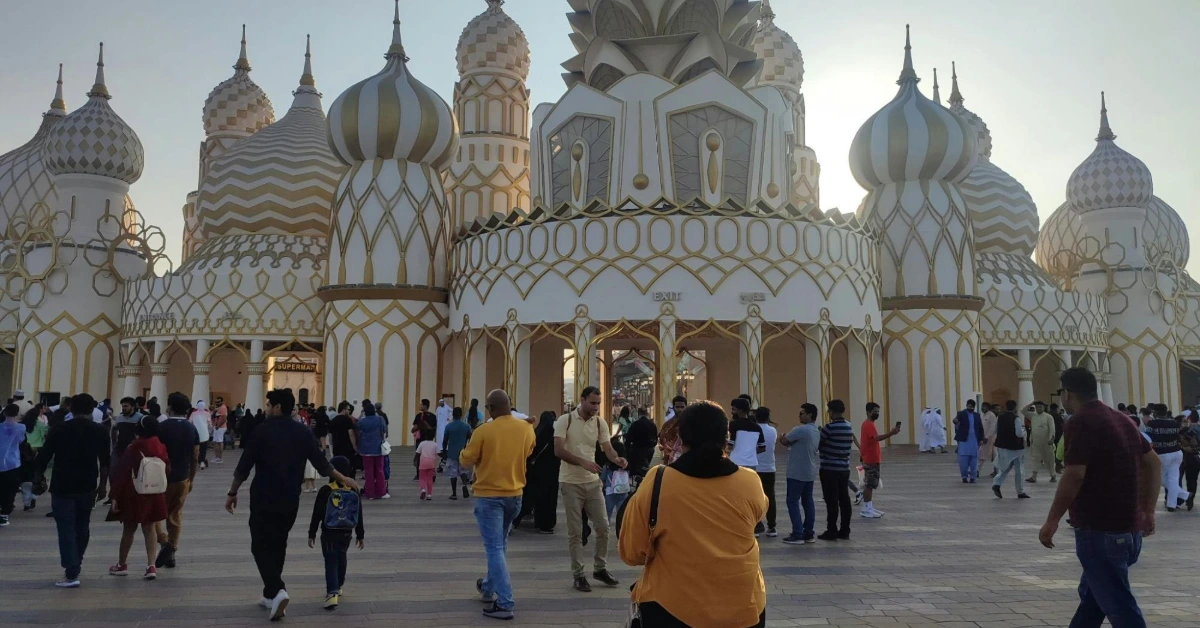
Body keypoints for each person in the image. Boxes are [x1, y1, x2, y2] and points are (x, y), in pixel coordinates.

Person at [619, 400, 768, 628]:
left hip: (672, 608)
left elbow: (632, 552)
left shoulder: (659, 481)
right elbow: (755, 517)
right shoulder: (750, 482)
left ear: (681, 437)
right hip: (744, 608)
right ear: (725, 436)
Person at [1038, 368, 1160, 628]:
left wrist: (1052, 520)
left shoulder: (1081, 421)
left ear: (1067, 393)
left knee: (1120, 608)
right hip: (1129, 531)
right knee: (1093, 601)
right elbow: (1153, 462)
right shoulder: (1121, 419)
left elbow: (1074, 475)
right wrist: (1148, 511)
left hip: (1101, 532)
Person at [226, 389, 357, 621]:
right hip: (289, 499)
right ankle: (269, 595)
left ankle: (277, 590)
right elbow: (322, 464)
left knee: (259, 545)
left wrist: (232, 492)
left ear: (277, 407)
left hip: (264, 497)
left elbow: (243, 467)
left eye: (268, 405)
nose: (266, 409)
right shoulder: (303, 432)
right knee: (278, 543)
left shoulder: (261, 431)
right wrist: (343, 478)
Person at [459, 389, 536, 620]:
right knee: (500, 545)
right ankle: (488, 587)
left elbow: (466, 459)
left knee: (494, 548)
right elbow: (529, 451)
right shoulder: (526, 429)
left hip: (489, 496)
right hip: (515, 495)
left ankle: (505, 603)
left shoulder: (484, 430)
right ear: (510, 405)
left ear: (490, 409)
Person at [554, 386, 627, 592]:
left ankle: (599, 567)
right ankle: (578, 574)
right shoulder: (565, 420)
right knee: (575, 532)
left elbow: (607, 448)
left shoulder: (599, 422)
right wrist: (582, 462)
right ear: (583, 399)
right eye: (592, 403)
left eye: (598, 403)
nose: (596, 407)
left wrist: (617, 459)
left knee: (603, 527)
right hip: (570, 482)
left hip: (593, 482)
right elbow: (558, 450)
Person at [34, 394, 110, 587]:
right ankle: (77, 562)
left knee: (66, 527)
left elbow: (44, 456)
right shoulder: (100, 431)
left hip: (62, 485)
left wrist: (37, 477)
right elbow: (105, 462)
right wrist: (103, 486)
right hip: (87, 485)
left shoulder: (60, 429)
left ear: (71, 409)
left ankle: (72, 569)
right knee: (82, 526)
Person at [108, 415, 169, 580]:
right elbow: (167, 468)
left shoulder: (134, 447)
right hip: (154, 492)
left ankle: (122, 564)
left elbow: (122, 472)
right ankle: (151, 566)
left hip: (134, 492)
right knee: (150, 529)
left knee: (129, 529)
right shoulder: (161, 446)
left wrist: (114, 496)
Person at [307, 455, 365, 610]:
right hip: (346, 531)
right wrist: (360, 535)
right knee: (341, 556)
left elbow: (317, 513)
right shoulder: (353, 489)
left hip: (329, 532)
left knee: (331, 560)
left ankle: (332, 593)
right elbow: (358, 513)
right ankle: (339, 585)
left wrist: (311, 532)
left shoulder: (326, 490)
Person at [153, 392, 200, 570]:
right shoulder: (191, 428)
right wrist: (192, 479)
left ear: (170, 408)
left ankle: (165, 543)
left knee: (156, 514)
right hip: (183, 477)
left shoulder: (161, 427)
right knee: (175, 515)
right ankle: (171, 550)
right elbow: (195, 457)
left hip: (162, 478)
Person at [779, 403, 820, 544]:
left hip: (796, 472)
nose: (799, 415)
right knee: (808, 502)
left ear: (809, 415)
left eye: (802, 413)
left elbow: (785, 440)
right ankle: (808, 533)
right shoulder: (816, 431)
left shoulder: (801, 430)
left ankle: (797, 533)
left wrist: (782, 437)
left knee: (792, 501)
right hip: (809, 471)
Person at [817, 399, 857, 541]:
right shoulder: (849, 427)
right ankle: (845, 530)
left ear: (832, 411)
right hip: (844, 468)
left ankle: (831, 530)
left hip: (829, 469)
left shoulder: (829, 428)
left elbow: (818, 444)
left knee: (831, 501)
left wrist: (820, 432)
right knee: (844, 500)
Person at [515, 410, 560, 533]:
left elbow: (530, 451)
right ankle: (546, 524)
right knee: (549, 499)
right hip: (551, 472)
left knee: (531, 496)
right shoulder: (555, 435)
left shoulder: (537, 432)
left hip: (535, 471)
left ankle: (516, 519)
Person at [859, 402, 901, 518]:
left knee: (872, 484)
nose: (877, 414)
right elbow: (876, 438)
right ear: (868, 412)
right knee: (869, 484)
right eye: (874, 412)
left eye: (878, 412)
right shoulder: (868, 425)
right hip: (870, 459)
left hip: (873, 458)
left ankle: (869, 507)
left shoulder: (870, 424)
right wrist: (891, 433)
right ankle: (866, 508)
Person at [1145, 403, 1190, 511]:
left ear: (1155, 412)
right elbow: (1182, 432)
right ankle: (1172, 504)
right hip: (1176, 452)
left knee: (1159, 478)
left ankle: (1185, 495)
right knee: (1173, 479)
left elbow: (1148, 437)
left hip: (1162, 453)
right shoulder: (1174, 422)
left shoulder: (1152, 423)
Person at [991, 400, 1030, 499]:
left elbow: (994, 430)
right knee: (1019, 470)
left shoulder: (1000, 417)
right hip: (1015, 448)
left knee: (1005, 467)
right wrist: (1024, 432)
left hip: (1003, 447)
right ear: (1015, 408)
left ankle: (996, 483)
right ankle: (1020, 491)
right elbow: (1018, 434)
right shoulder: (1016, 419)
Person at [750, 406, 779, 537]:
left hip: (756, 467)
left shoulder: (753, 430)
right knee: (770, 497)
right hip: (770, 468)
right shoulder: (773, 430)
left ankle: (757, 524)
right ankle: (772, 526)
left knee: (755, 497)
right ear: (768, 417)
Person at [357, 402, 389, 500]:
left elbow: (357, 431)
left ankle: (370, 493)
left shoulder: (362, 421)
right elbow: (384, 430)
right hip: (378, 449)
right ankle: (382, 492)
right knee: (380, 470)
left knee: (368, 472)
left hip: (365, 450)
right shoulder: (380, 419)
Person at [0, 403, 25, 527]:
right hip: (12, 462)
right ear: (17, 414)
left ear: (4, 413)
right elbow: (21, 441)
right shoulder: (21, 428)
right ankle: (4, 514)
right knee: (10, 489)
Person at [728, 398, 765, 474]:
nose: (733, 412)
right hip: (752, 463)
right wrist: (750, 452)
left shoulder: (733, 424)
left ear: (740, 410)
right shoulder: (757, 427)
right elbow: (762, 448)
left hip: (736, 462)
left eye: (735, 409)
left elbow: (730, 446)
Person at [953, 400, 986, 483]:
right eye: (968, 406)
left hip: (974, 441)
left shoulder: (977, 415)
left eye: (971, 407)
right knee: (963, 460)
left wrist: (981, 439)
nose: (969, 408)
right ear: (966, 405)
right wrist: (955, 421)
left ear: (974, 407)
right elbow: (956, 420)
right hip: (964, 441)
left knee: (974, 460)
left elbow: (980, 428)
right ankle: (964, 476)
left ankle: (973, 477)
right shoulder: (961, 413)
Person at [442, 407, 472, 500]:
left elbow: (445, 441)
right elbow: (470, 437)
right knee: (463, 471)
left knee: (453, 473)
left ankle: (454, 493)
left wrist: (444, 451)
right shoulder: (466, 426)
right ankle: (464, 485)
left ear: (453, 415)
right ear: (461, 414)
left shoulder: (449, 426)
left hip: (452, 453)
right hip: (463, 453)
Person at [1026, 401, 1058, 483]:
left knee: (1050, 460)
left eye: (1040, 407)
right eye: (1037, 407)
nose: (1038, 408)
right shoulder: (1033, 416)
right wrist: (1031, 403)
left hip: (1047, 443)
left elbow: (1052, 429)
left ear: (1044, 407)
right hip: (1036, 443)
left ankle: (1053, 475)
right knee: (1035, 459)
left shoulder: (1048, 417)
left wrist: (1051, 439)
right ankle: (1034, 477)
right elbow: (1023, 411)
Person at [623, 407, 658, 479]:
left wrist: (627, 450)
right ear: (646, 413)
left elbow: (629, 439)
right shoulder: (652, 424)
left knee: (638, 468)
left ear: (639, 414)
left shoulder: (635, 424)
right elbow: (655, 438)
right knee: (645, 466)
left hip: (638, 450)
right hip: (649, 450)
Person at [658, 395, 687, 464]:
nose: (680, 409)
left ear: (686, 407)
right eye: (677, 407)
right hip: (670, 459)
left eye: (682, 407)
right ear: (673, 407)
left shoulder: (690, 423)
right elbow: (661, 441)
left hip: (686, 458)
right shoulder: (667, 425)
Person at [1181, 413, 1200, 511]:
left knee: (1191, 479)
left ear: (1189, 419)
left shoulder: (1187, 430)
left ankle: (1190, 498)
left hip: (1191, 457)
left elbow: (1182, 443)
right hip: (1197, 454)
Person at [189, 401, 212, 471]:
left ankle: (197, 462)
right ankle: (202, 462)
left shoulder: (193, 414)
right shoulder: (207, 414)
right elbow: (210, 425)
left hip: (195, 434)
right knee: (203, 449)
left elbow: (190, 422)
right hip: (205, 434)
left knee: (196, 449)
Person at [416, 432, 439, 500]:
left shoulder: (422, 443)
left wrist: (415, 460)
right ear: (433, 437)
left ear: (426, 436)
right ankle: (429, 495)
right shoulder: (435, 444)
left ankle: (423, 489)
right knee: (430, 479)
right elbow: (439, 453)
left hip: (423, 462)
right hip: (431, 463)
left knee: (422, 478)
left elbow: (417, 453)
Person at [979, 402, 998, 476]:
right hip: (984, 438)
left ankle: (977, 470)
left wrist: (987, 437)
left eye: (984, 407)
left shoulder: (991, 415)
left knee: (987, 455)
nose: (982, 408)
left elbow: (992, 428)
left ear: (988, 408)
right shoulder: (983, 415)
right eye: (982, 406)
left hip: (990, 439)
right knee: (985, 454)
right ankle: (997, 470)